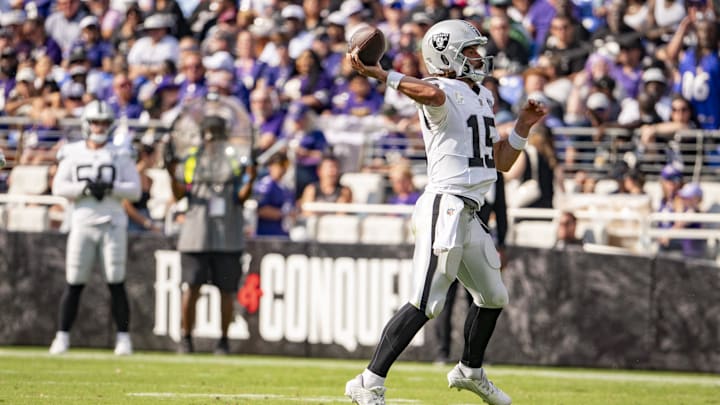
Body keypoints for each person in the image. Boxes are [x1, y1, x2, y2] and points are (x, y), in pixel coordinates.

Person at [344, 19, 547, 405]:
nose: (478, 56)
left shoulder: (482, 97)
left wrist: (521, 126)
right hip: (446, 204)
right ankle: (368, 381)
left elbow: (501, 161)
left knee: (493, 296)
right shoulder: (440, 90)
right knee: (427, 302)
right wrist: (382, 74)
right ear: (446, 53)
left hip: (471, 211)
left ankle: (470, 371)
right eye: (469, 49)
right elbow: (431, 95)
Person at [48, 100, 142, 355]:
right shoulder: (73, 151)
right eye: (95, 122)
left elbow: (135, 190)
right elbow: (58, 187)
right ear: (86, 124)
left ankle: (123, 338)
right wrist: (85, 188)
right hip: (82, 221)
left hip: (112, 223)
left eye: (104, 122)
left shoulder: (120, 153)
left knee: (116, 279)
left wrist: (111, 188)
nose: (100, 127)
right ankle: (62, 336)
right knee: (75, 279)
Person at [164, 113, 256, 355]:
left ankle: (223, 340)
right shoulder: (192, 159)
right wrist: (171, 171)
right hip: (196, 233)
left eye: (217, 134)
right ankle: (185, 338)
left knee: (227, 291)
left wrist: (253, 175)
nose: (213, 139)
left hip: (228, 234)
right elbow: (180, 194)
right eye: (210, 133)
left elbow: (241, 196)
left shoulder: (234, 160)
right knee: (191, 287)